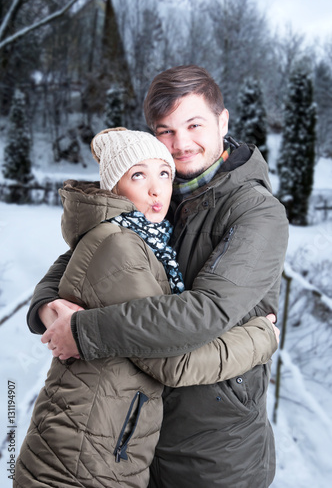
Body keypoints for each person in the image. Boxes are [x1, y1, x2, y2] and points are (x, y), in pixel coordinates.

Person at [26, 65, 288, 487]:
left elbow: (204, 313)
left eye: (194, 124)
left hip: (214, 449)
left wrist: (84, 330)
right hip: (137, 434)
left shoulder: (256, 212)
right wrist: (46, 306)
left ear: (223, 120)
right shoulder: (161, 191)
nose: (181, 144)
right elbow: (89, 246)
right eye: (165, 130)